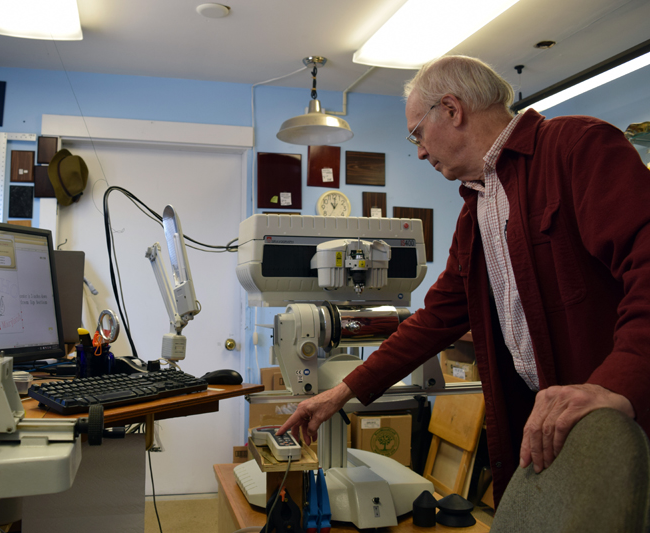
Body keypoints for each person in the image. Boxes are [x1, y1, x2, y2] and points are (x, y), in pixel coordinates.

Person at [278, 55, 649, 505]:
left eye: (417, 133)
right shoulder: (477, 208)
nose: (417, 150)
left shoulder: (577, 147)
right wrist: (340, 393)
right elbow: (436, 319)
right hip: (550, 420)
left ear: (452, 110)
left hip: (618, 415)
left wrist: (613, 384)